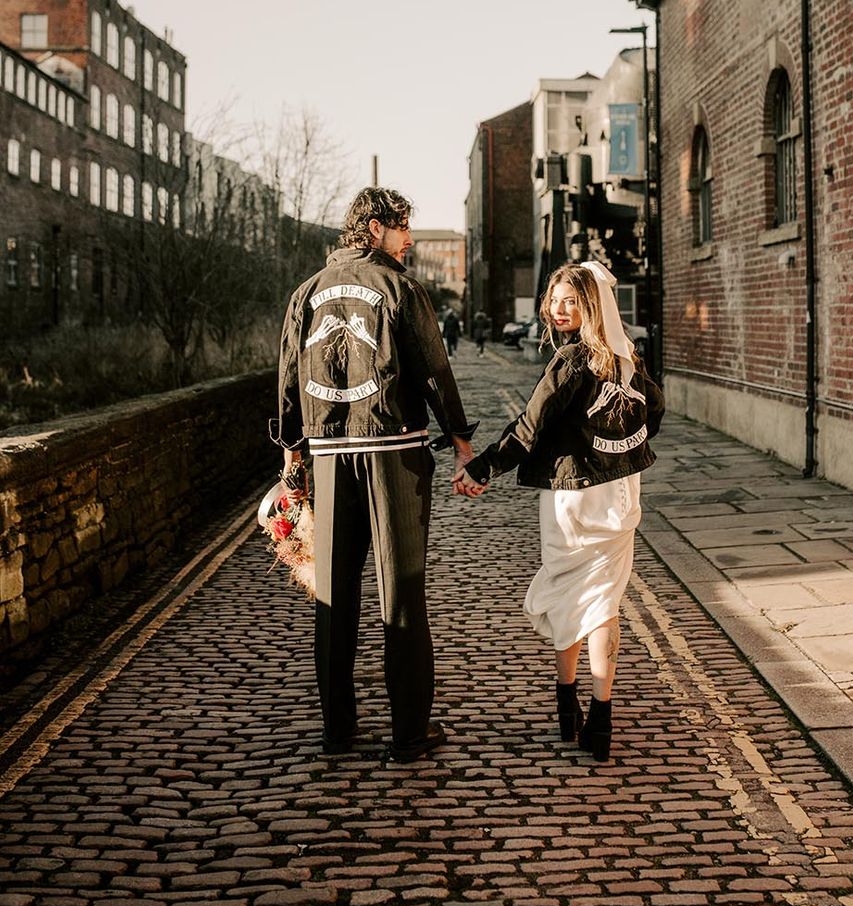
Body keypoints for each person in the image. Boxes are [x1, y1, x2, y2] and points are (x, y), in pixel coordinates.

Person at [271, 186, 478, 764]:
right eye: (403, 228)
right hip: (395, 455)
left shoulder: (305, 293)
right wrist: (462, 444)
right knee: (403, 595)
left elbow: (288, 380)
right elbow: (435, 371)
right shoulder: (401, 289)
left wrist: (291, 462)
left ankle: (338, 731)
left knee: (333, 599)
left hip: (330, 458)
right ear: (374, 228)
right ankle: (409, 733)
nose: (409, 239)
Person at [454, 262, 664, 762]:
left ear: (591, 305)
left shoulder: (571, 362)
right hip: (620, 495)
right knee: (603, 604)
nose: (558, 308)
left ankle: (569, 705)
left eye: (570, 299)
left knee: (574, 595)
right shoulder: (626, 358)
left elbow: (529, 427)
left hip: (573, 498)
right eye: (555, 299)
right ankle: (597, 717)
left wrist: (481, 469)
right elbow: (653, 415)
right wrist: (614, 448)